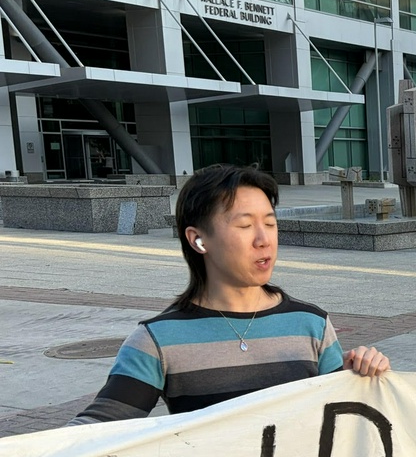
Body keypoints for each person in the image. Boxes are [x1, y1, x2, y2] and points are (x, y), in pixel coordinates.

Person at [73, 164, 389, 425]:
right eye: (245, 225)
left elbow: (343, 419)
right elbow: (94, 431)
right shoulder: (158, 340)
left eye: (270, 223)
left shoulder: (311, 324)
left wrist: (361, 377)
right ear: (198, 240)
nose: (264, 239)